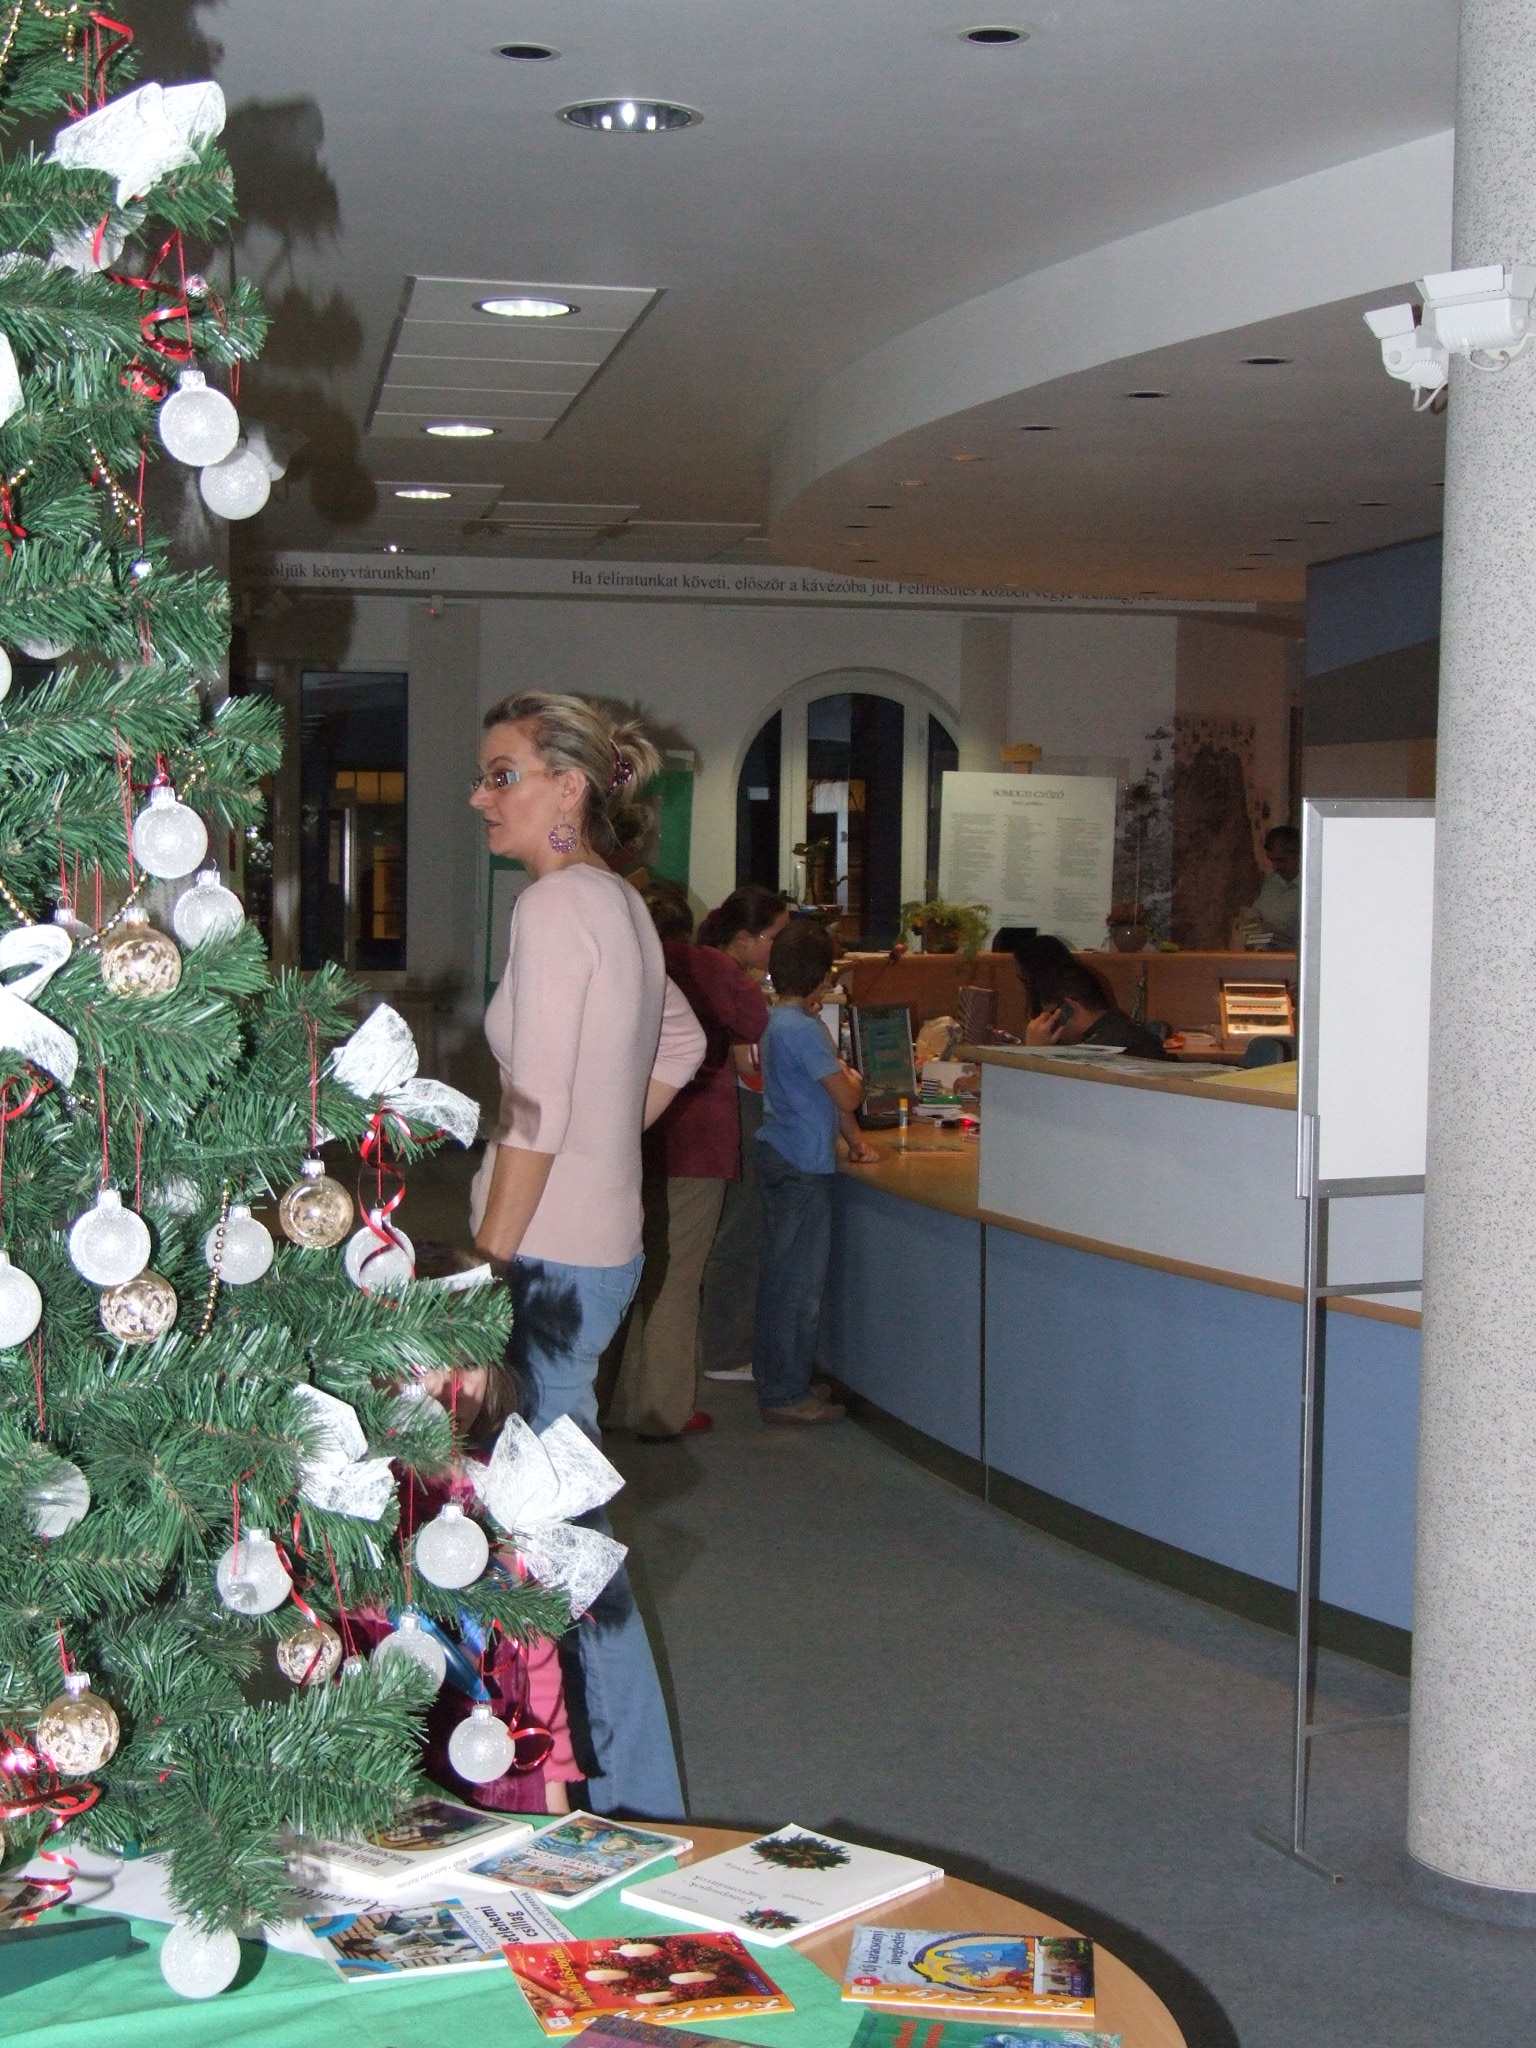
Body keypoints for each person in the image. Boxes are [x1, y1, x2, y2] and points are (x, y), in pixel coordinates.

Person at [468, 690, 705, 1820]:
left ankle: (631, 1802)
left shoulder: (557, 906)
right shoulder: (619, 902)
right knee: (558, 1534)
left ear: (569, 786)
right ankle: (612, 1792)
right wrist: (610, 1145)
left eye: (502, 774)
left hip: (544, 1265)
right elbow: (682, 1043)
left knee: (559, 1546)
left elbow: (535, 1111)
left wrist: (482, 1266)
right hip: (592, 1252)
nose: (482, 797)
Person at [603, 878, 771, 1442]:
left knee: (626, 1269)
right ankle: (662, 1410)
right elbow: (755, 1023)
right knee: (677, 1278)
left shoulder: (623, 963)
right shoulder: (708, 965)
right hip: (697, 1139)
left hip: (629, 1133)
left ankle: (609, 1401)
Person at [753, 919, 866, 1425]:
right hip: (803, 1166)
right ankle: (785, 1392)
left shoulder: (778, 1021)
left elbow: (825, 1099)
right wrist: (855, 1081)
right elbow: (845, 1095)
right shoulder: (805, 1030)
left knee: (782, 1278)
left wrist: (856, 1142)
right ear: (821, 976)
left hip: (784, 1154)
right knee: (798, 1287)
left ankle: (784, 1377)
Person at [695, 886, 791, 1386]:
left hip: (718, 1113)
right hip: (730, 1113)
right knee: (738, 1234)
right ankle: (726, 1350)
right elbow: (749, 1057)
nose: (781, 947)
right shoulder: (728, 981)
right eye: (775, 937)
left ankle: (725, 1345)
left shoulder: (719, 971)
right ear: (745, 937)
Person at [1024, 957, 1172, 1059]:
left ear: (1067, 1010)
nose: (1049, 1027)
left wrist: (1037, 1053)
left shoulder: (1097, 1051)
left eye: (1050, 1018)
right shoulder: (1123, 1030)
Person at [1245, 824, 1301, 947]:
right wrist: (1252, 922)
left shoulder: (1312, 890)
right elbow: (1255, 911)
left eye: (1281, 860)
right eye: (1272, 860)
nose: (1275, 867)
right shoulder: (1271, 883)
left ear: (1299, 855)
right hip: (1265, 954)